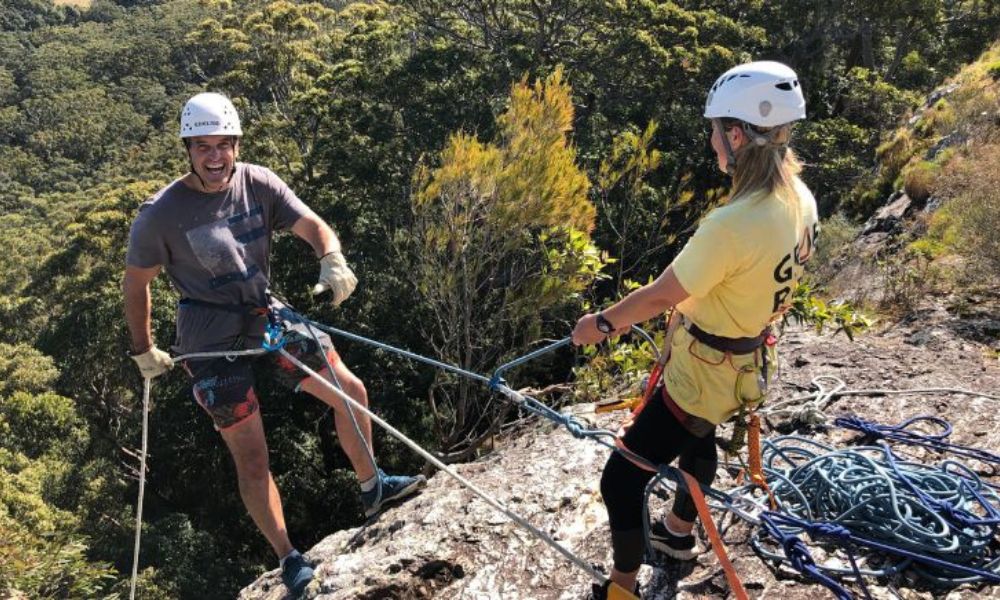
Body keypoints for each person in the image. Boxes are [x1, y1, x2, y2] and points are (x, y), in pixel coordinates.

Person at [123, 92, 426, 596]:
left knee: (351, 391)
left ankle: (373, 487)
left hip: (265, 313)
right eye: (203, 147)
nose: (215, 157)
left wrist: (331, 256)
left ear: (237, 144)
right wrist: (143, 348)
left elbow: (309, 222)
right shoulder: (160, 214)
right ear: (187, 149)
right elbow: (137, 286)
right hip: (209, 342)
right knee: (253, 457)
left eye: (224, 145)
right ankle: (289, 557)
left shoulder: (257, 182)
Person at [572, 61, 818, 599]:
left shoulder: (732, 224)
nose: (711, 143)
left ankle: (620, 588)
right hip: (746, 362)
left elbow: (663, 294)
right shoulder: (801, 199)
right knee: (698, 436)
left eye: (715, 131)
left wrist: (600, 324)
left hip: (703, 371)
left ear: (736, 134)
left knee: (620, 479)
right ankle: (678, 534)